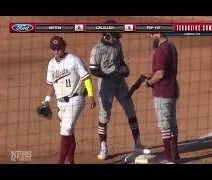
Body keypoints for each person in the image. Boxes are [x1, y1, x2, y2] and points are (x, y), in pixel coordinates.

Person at [89, 20, 150, 160]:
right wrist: (110, 75)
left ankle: (138, 144)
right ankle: (103, 147)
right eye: (115, 33)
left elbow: (120, 60)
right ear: (107, 33)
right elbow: (93, 70)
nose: (117, 36)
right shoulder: (97, 49)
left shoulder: (117, 44)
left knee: (130, 110)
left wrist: (124, 69)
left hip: (120, 83)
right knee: (104, 115)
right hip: (106, 85)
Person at [41, 36, 96, 164]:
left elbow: (86, 78)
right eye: (54, 49)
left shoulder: (74, 60)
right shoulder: (51, 64)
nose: (57, 51)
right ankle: (71, 162)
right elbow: (51, 85)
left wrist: (91, 96)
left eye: (59, 48)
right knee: (68, 133)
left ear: (64, 47)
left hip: (75, 100)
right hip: (61, 103)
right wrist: (46, 101)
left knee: (65, 130)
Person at [144, 32, 180, 164]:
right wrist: (150, 76)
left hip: (163, 92)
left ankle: (168, 158)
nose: (151, 37)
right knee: (172, 123)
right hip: (172, 89)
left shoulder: (161, 50)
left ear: (158, 33)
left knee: (165, 125)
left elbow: (160, 74)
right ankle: (175, 154)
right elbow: (164, 71)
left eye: (152, 34)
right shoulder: (172, 46)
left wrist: (148, 83)